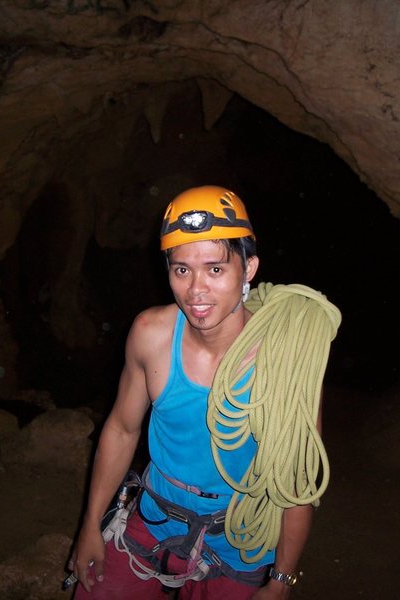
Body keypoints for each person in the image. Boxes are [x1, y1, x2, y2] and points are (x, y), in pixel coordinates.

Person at [69, 185, 337, 599]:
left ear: (248, 270)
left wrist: (281, 580)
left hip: (238, 539)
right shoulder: (151, 335)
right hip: (157, 517)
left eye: (215, 269)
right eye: (181, 270)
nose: (196, 290)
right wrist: (90, 526)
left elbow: (294, 484)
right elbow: (122, 429)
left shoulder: (287, 361)